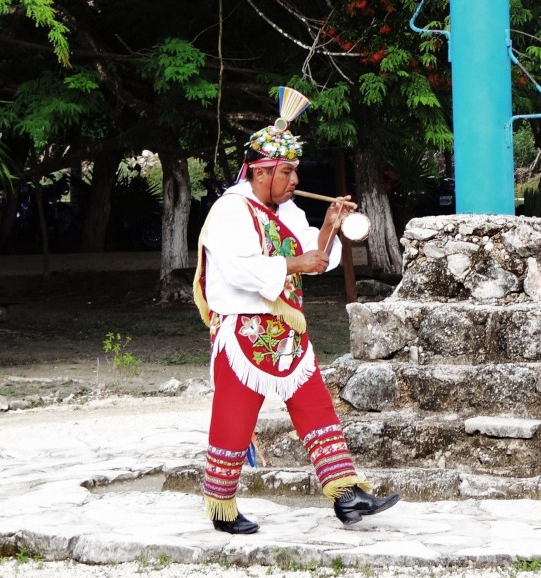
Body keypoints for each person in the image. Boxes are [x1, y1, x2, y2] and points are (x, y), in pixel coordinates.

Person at [192, 89, 400, 534]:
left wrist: (328, 227)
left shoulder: (285, 211)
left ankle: (346, 496)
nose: (292, 180)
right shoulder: (230, 211)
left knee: (316, 407)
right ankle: (221, 507)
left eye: (295, 171)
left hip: (286, 327)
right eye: (285, 172)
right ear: (260, 172)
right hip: (244, 330)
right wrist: (294, 263)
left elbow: (315, 258)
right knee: (235, 417)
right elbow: (237, 269)